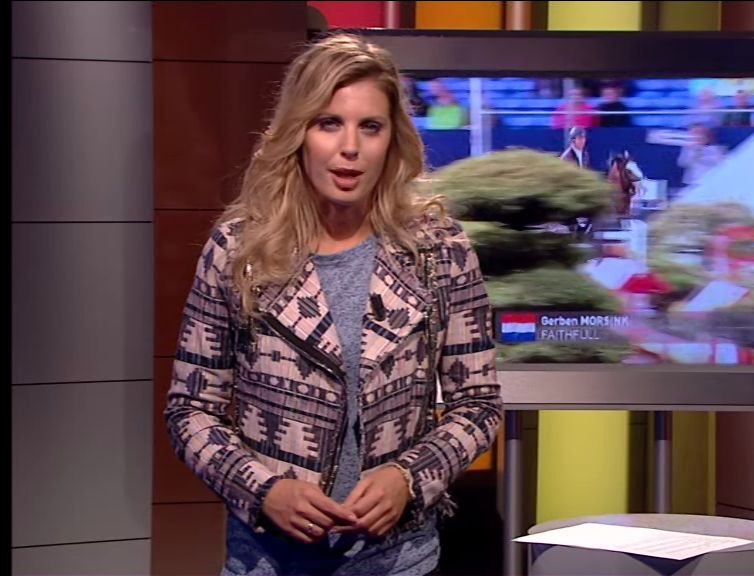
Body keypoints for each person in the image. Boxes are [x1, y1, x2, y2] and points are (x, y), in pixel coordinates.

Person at [163, 33, 503, 576]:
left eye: (370, 126)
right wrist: (264, 490)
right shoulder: (238, 251)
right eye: (328, 123)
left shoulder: (440, 252)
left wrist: (410, 478)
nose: (350, 147)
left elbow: (478, 406)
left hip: (398, 561)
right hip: (268, 561)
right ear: (299, 133)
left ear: (392, 139)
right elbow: (190, 411)